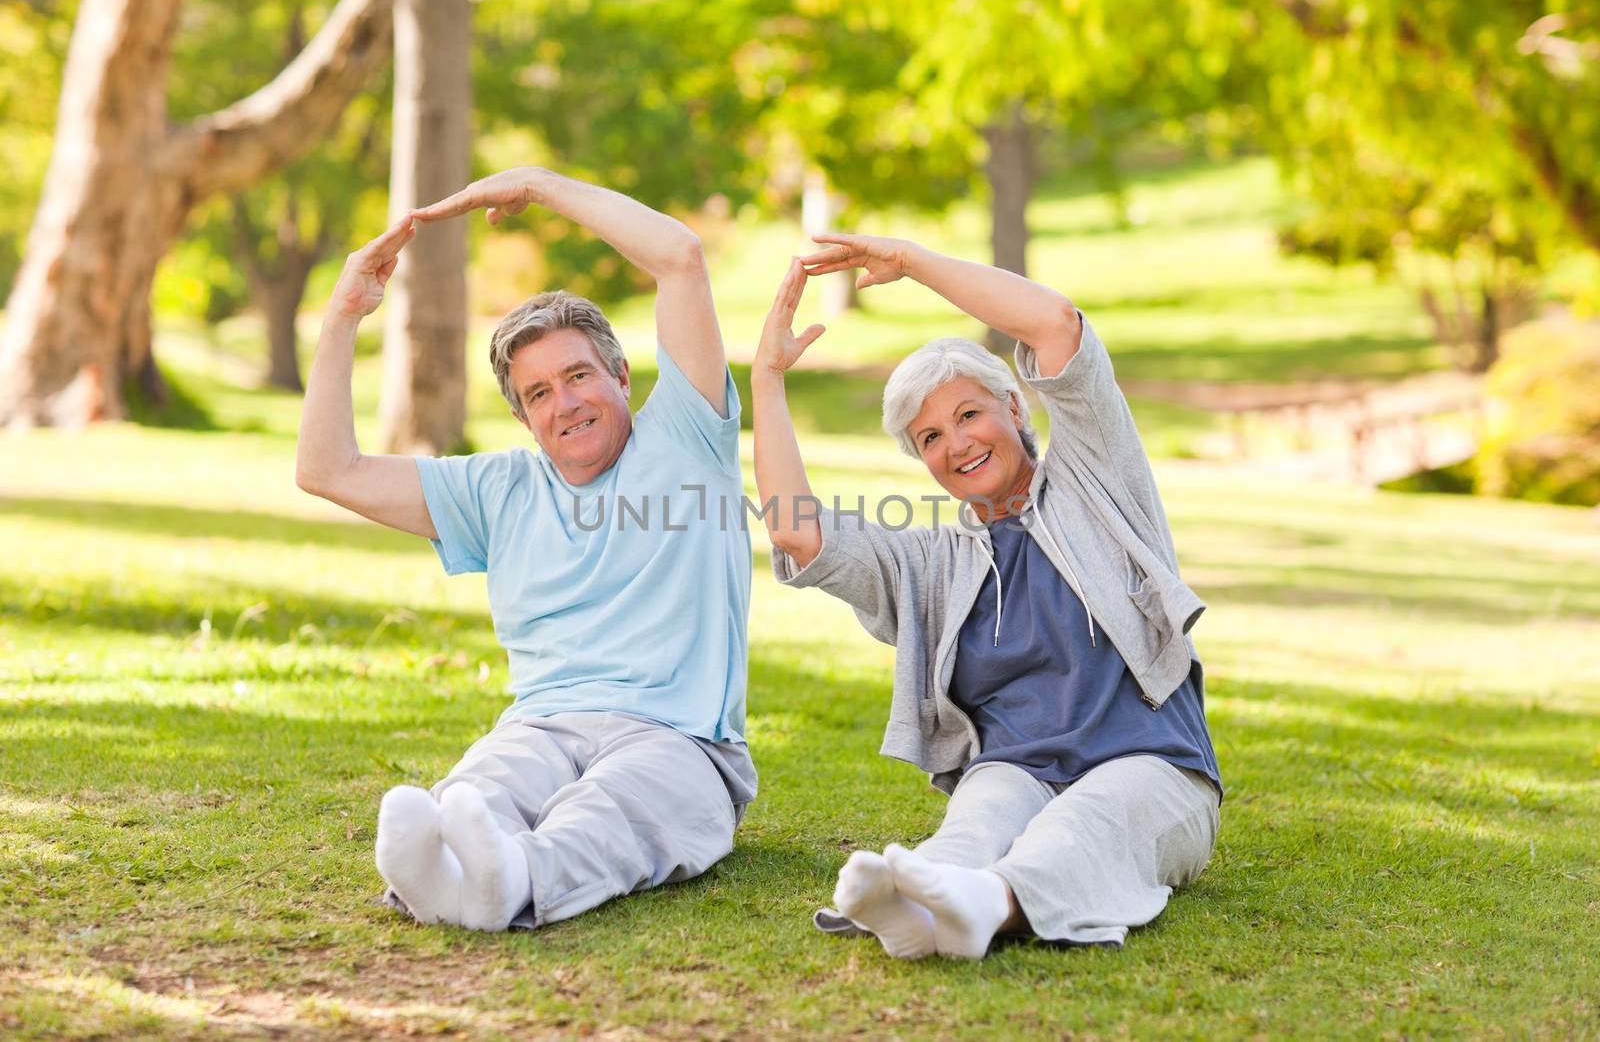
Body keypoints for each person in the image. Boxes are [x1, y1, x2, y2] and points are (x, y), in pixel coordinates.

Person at [295, 167, 755, 932]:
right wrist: (343, 316)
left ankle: (510, 880)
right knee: (485, 788)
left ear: (620, 375)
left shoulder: (687, 437)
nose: (565, 403)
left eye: (578, 376)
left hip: (682, 743)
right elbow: (326, 470)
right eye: (539, 393)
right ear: (522, 415)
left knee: (609, 808)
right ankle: (444, 871)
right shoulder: (497, 489)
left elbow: (679, 256)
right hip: (540, 726)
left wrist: (539, 187)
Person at [750, 236, 1221, 959]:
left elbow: (1056, 323)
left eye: (969, 415)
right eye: (930, 436)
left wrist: (911, 264)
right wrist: (769, 376)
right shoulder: (932, 562)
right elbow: (796, 533)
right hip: (1016, 770)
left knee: (1080, 826)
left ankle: (980, 907)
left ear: (1012, 405)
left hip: (1153, 765)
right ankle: (923, 906)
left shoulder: (1095, 479)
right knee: (973, 825)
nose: (956, 444)